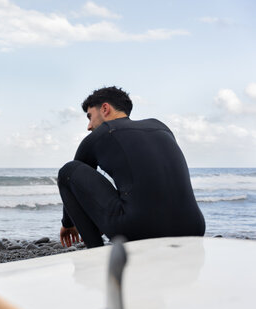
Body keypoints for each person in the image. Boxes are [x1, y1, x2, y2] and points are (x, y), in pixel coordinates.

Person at [58, 86, 205, 248]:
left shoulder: (102, 134)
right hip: (194, 227)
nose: (89, 126)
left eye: (90, 116)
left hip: (139, 229)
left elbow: (72, 182)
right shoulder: (161, 127)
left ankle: (95, 251)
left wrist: (68, 223)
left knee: (67, 171)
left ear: (105, 109)